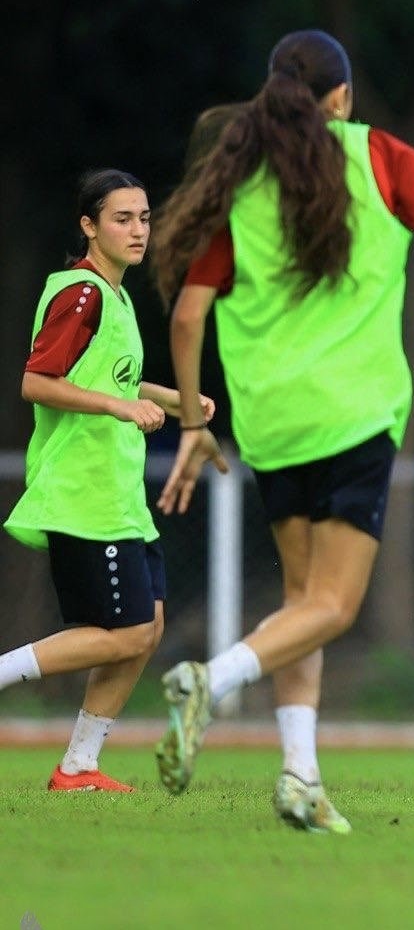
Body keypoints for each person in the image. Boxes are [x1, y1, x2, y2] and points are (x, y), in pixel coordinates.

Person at [148, 29, 414, 833]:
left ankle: (299, 779)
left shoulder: (239, 183)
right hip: (352, 415)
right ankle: (210, 682)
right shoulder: (378, 157)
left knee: (301, 603)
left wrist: (191, 420)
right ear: (343, 99)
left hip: (273, 425)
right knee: (335, 606)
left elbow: (186, 314)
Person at [0, 169, 216, 792]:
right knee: (122, 632)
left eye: (145, 218)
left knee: (145, 628)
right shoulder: (83, 293)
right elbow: (36, 382)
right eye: (123, 219)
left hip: (118, 495)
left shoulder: (116, 297)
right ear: (89, 227)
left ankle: (79, 766)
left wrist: (178, 401)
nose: (139, 230)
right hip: (83, 491)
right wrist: (124, 409)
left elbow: (111, 382)